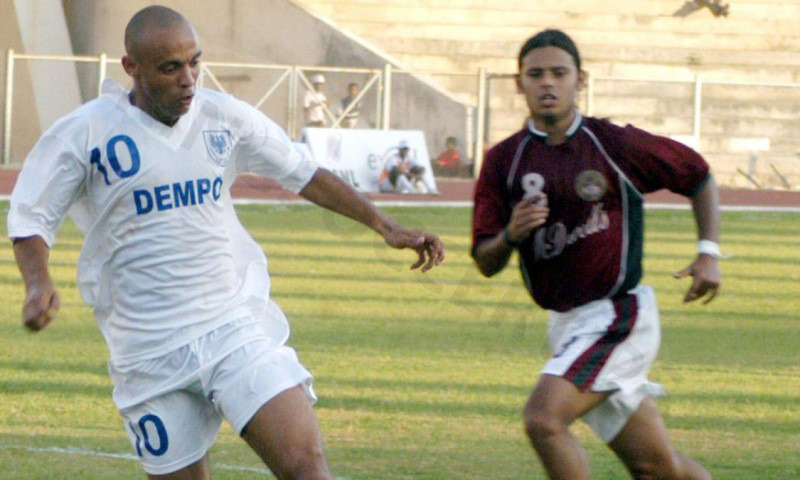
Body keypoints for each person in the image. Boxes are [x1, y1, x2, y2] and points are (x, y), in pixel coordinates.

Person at [8, 6, 444, 480]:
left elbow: (304, 174)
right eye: (170, 67)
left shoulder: (223, 117)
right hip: (147, 353)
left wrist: (384, 225)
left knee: (306, 469)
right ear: (132, 68)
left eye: (195, 62)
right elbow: (31, 215)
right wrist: (37, 282)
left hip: (232, 327)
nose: (188, 78)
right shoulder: (84, 133)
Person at [471, 29, 718, 480]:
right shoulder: (503, 161)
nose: (548, 83)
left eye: (559, 73)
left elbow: (697, 174)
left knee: (544, 420)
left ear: (579, 80)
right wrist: (511, 233)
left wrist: (708, 252)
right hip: (566, 325)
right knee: (658, 469)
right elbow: (485, 261)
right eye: (536, 74)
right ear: (518, 82)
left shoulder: (613, 143)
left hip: (618, 316)